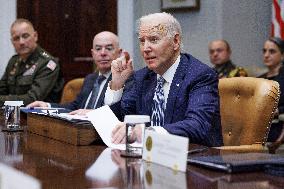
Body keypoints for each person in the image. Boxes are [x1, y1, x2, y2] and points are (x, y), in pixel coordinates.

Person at [106, 12, 223, 147]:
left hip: (193, 159)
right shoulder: (142, 77)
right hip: (148, 158)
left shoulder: (199, 75)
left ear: (175, 41)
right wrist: (117, 85)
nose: (145, 48)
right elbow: (122, 117)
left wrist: (147, 132)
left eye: (153, 39)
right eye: (142, 41)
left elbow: (198, 124)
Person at [27, 31, 122, 114]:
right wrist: (47, 106)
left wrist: (94, 113)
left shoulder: (125, 79)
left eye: (109, 48)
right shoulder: (90, 78)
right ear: (93, 54)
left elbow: (122, 110)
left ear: (119, 53)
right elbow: (75, 106)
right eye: (98, 49)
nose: (102, 53)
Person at [0, 18, 64, 106]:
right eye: (16, 38)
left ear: (35, 36)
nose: (21, 42)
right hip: (15, 114)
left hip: (39, 117)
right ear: (12, 42)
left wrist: (3, 101)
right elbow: (2, 89)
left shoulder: (48, 63)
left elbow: (32, 99)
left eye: (25, 36)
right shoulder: (14, 61)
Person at [258, 37, 284, 142]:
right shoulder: (258, 80)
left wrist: (278, 111)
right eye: (264, 51)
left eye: (272, 51)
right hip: (257, 125)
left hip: (278, 126)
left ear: (282, 55)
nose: (266, 55)